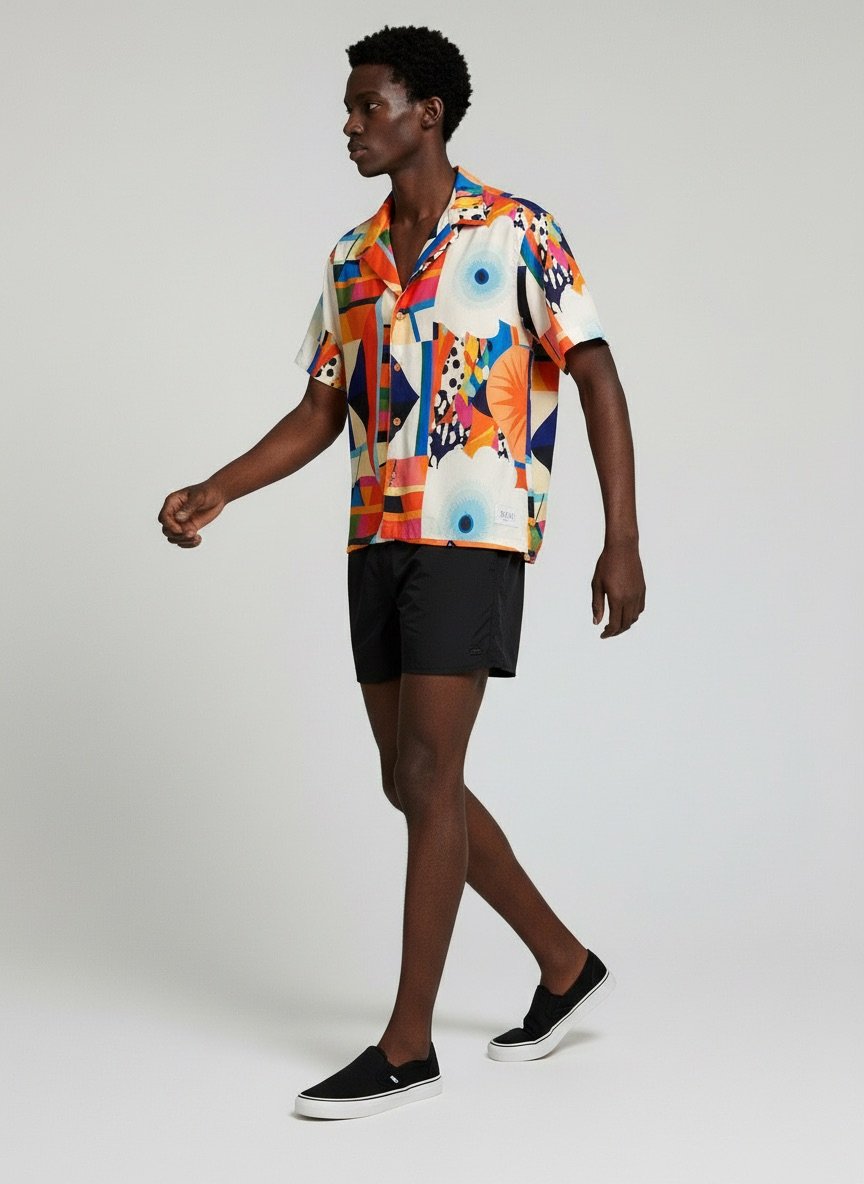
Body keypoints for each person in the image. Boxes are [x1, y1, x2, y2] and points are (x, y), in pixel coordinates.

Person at [157, 24, 645, 1121]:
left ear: (428, 113)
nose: (349, 126)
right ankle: (565, 963)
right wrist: (220, 486)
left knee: (427, 767)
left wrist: (622, 537)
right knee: (411, 779)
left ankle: (407, 1043)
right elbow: (320, 409)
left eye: (366, 106)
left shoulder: (517, 230)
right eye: (347, 108)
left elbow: (598, 376)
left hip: (474, 535)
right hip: (375, 537)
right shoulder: (351, 258)